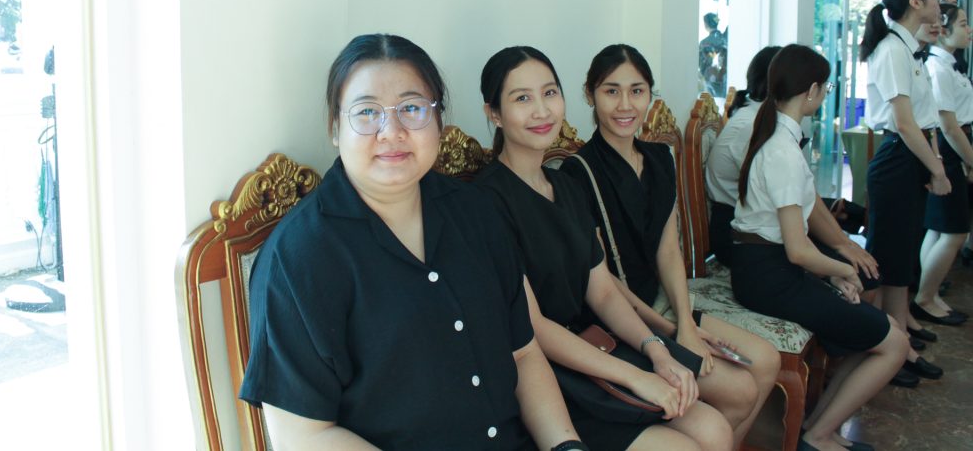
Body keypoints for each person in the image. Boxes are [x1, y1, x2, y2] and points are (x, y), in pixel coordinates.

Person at [239, 34, 585, 451]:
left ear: (438, 121)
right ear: (335, 128)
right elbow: (303, 435)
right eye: (367, 112)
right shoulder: (299, 257)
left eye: (412, 109)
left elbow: (523, 354)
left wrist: (567, 446)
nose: (392, 132)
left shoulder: (477, 213)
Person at [477, 46, 733, 451]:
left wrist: (657, 351)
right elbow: (533, 326)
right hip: (545, 372)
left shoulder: (565, 186)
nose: (542, 110)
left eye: (549, 93)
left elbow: (603, 292)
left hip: (594, 345)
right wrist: (636, 376)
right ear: (494, 113)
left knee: (715, 429)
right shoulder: (485, 201)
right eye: (522, 98)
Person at [560, 44, 781, 449]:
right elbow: (604, 281)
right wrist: (675, 332)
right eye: (611, 91)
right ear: (590, 95)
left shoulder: (660, 157)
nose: (625, 105)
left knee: (767, 360)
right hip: (619, 319)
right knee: (740, 391)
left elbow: (668, 250)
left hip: (662, 303)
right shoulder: (577, 173)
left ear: (649, 93)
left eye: (637, 91)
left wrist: (686, 324)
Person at [728, 44, 908, 451]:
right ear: (811, 90)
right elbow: (796, 249)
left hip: (767, 270)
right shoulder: (781, 151)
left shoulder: (777, 138)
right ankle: (817, 435)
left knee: (882, 333)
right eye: (826, 88)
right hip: (769, 278)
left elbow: (796, 237)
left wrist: (836, 268)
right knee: (895, 343)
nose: (825, 95)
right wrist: (842, 269)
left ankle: (819, 428)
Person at [706, 46, 879, 290]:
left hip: (765, 223)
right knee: (863, 273)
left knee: (852, 229)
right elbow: (795, 202)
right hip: (741, 234)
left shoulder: (767, 122)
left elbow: (800, 192)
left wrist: (843, 243)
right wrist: (842, 245)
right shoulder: (758, 128)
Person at [860, 0, 949, 387]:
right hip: (898, 158)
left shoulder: (906, 48)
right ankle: (885, 346)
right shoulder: (892, 50)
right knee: (890, 257)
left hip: (908, 156)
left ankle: (900, 342)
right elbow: (904, 123)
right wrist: (937, 168)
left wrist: (932, 161)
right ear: (915, 2)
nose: (937, 3)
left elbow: (922, 122)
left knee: (902, 258)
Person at [917, 2, 972, 324]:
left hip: (956, 146)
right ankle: (925, 297)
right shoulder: (938, 68)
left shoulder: (949, 65)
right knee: (953, 232)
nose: (969, 29)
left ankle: (930, 293)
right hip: (950, 149)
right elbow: (949, 126)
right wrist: (970, 159)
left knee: (941, 229)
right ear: (945, 30)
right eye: (963, 24)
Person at [698, 14, 727, 99]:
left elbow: (702, 65)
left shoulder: (704, 43)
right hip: (726, 78)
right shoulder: (725, 39)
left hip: (711, 79)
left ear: (705, 24)